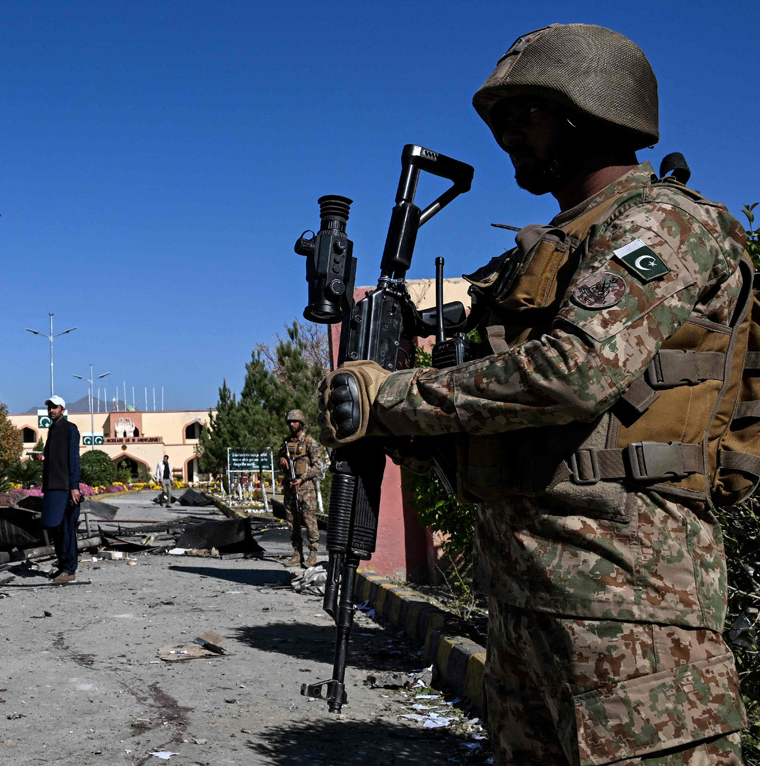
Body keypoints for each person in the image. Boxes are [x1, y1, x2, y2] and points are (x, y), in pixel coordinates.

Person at [321, 24, 749, 764]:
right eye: (501, 118)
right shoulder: (545, 251)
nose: (507, 134)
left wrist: (393, 396)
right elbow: (488, 404)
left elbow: (572, 371)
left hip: (632, 609)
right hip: (526, 602)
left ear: (594, 110)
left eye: (528, 112)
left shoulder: (663, 224)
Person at [40, 395, 82, 584]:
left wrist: (74, 487)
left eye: (55, 407)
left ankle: (69, 569)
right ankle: (62, 564)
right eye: (49, 407)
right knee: (55, 529)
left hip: (65, 489)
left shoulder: (69, 429)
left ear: (62, 410)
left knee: (66, 530)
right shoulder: (52, 429)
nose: (51, 410)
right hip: (53, 488)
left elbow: (73, 459)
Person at [277, 409, 323, 568]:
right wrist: (282, 460)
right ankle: (297, 554)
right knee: (292, 522)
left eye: (295, 421)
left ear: (301, 423)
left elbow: (318, 466)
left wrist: (302, 479)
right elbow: (280, 460)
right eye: (289, 422)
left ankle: (313, 553)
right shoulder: (286, 443)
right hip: (290, 487)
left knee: (310, 521)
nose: (292, 424)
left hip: (305, 488)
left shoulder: (310, 442)